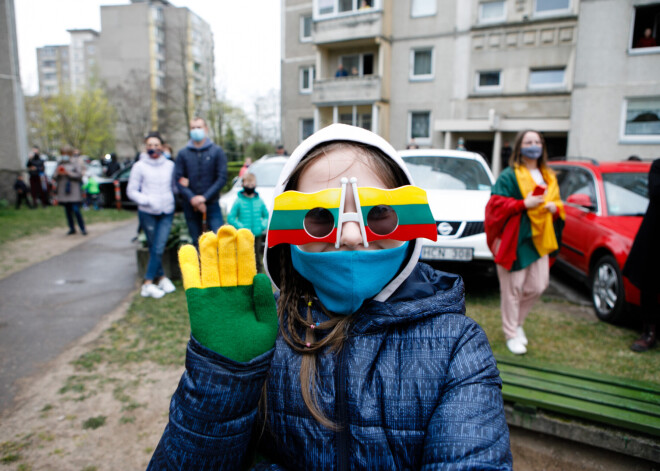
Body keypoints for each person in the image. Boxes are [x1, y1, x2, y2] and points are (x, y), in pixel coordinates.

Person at [148, 124, 512, 469]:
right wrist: (223, 377)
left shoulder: (457, 347)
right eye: (320, 217)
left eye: (380, 214)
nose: (352, 236)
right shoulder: (262, 338)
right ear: (284, 234)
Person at [485, 130, 565, 355]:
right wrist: (523, 204)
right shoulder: (509, 176)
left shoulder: (548, 176)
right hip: (514, 239)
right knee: (512, 289)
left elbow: (558, 204)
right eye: (529, 142)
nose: (534, 145)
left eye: (537, 141)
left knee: (538, 285)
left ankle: (517, 323)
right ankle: (511, 333)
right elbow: (495, 205)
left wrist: (555, 209)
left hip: (540, 238)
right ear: (520, 147)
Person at [127, 132, 177, 299]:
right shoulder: (139, 166)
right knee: (155, 246)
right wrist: (147, 200)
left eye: (157, 145)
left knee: (159, 245)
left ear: (162, 147)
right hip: (148, 212)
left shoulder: (170, 165)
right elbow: (131, 191)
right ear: (145, 147)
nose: (153, 148)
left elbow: (175, 186)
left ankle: (153, 280)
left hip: (166, 211)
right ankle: (153, 281)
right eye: (150, 145)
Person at [623, 158, 660, 352]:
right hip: (654, 238)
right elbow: (656, 193)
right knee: (650, 285)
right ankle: (649, 332)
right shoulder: (658, 166)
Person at [174, 117, 228, 245]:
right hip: (191, 206)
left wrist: (204, 198)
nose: (196, 130)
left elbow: (221, 178)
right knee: (197, 242)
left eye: (199, 127)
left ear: (206, 129)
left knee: (218, 241)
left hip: (212, 204)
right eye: (193, 128)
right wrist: (193, 199)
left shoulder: (217, 151)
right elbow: (178, 179)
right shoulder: (183, 154)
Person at [227, 172, 269, 272]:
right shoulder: (238, 201)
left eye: (252, 184)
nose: (250, 186)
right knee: (244, 257)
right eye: (248, 184)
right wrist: (241, 227)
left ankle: (258, 277)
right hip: (244, 236)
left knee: (257, 258)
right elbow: (231, 218)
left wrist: (262, 226)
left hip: (257, 234)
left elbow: (266, 215)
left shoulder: (259, 201)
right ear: (243, 185)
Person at [52, 146, 87, 235]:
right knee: (67, 211)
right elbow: (54, 177)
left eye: (66, 154)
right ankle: (72, 228)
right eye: (63, 154)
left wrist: (68, 173)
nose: (64, 156)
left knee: (76, 210)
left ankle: (82, 228)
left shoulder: (75, 162)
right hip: (63, 191)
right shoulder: (59, 163)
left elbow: (79, 175)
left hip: (73, 191)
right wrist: (58, 172)